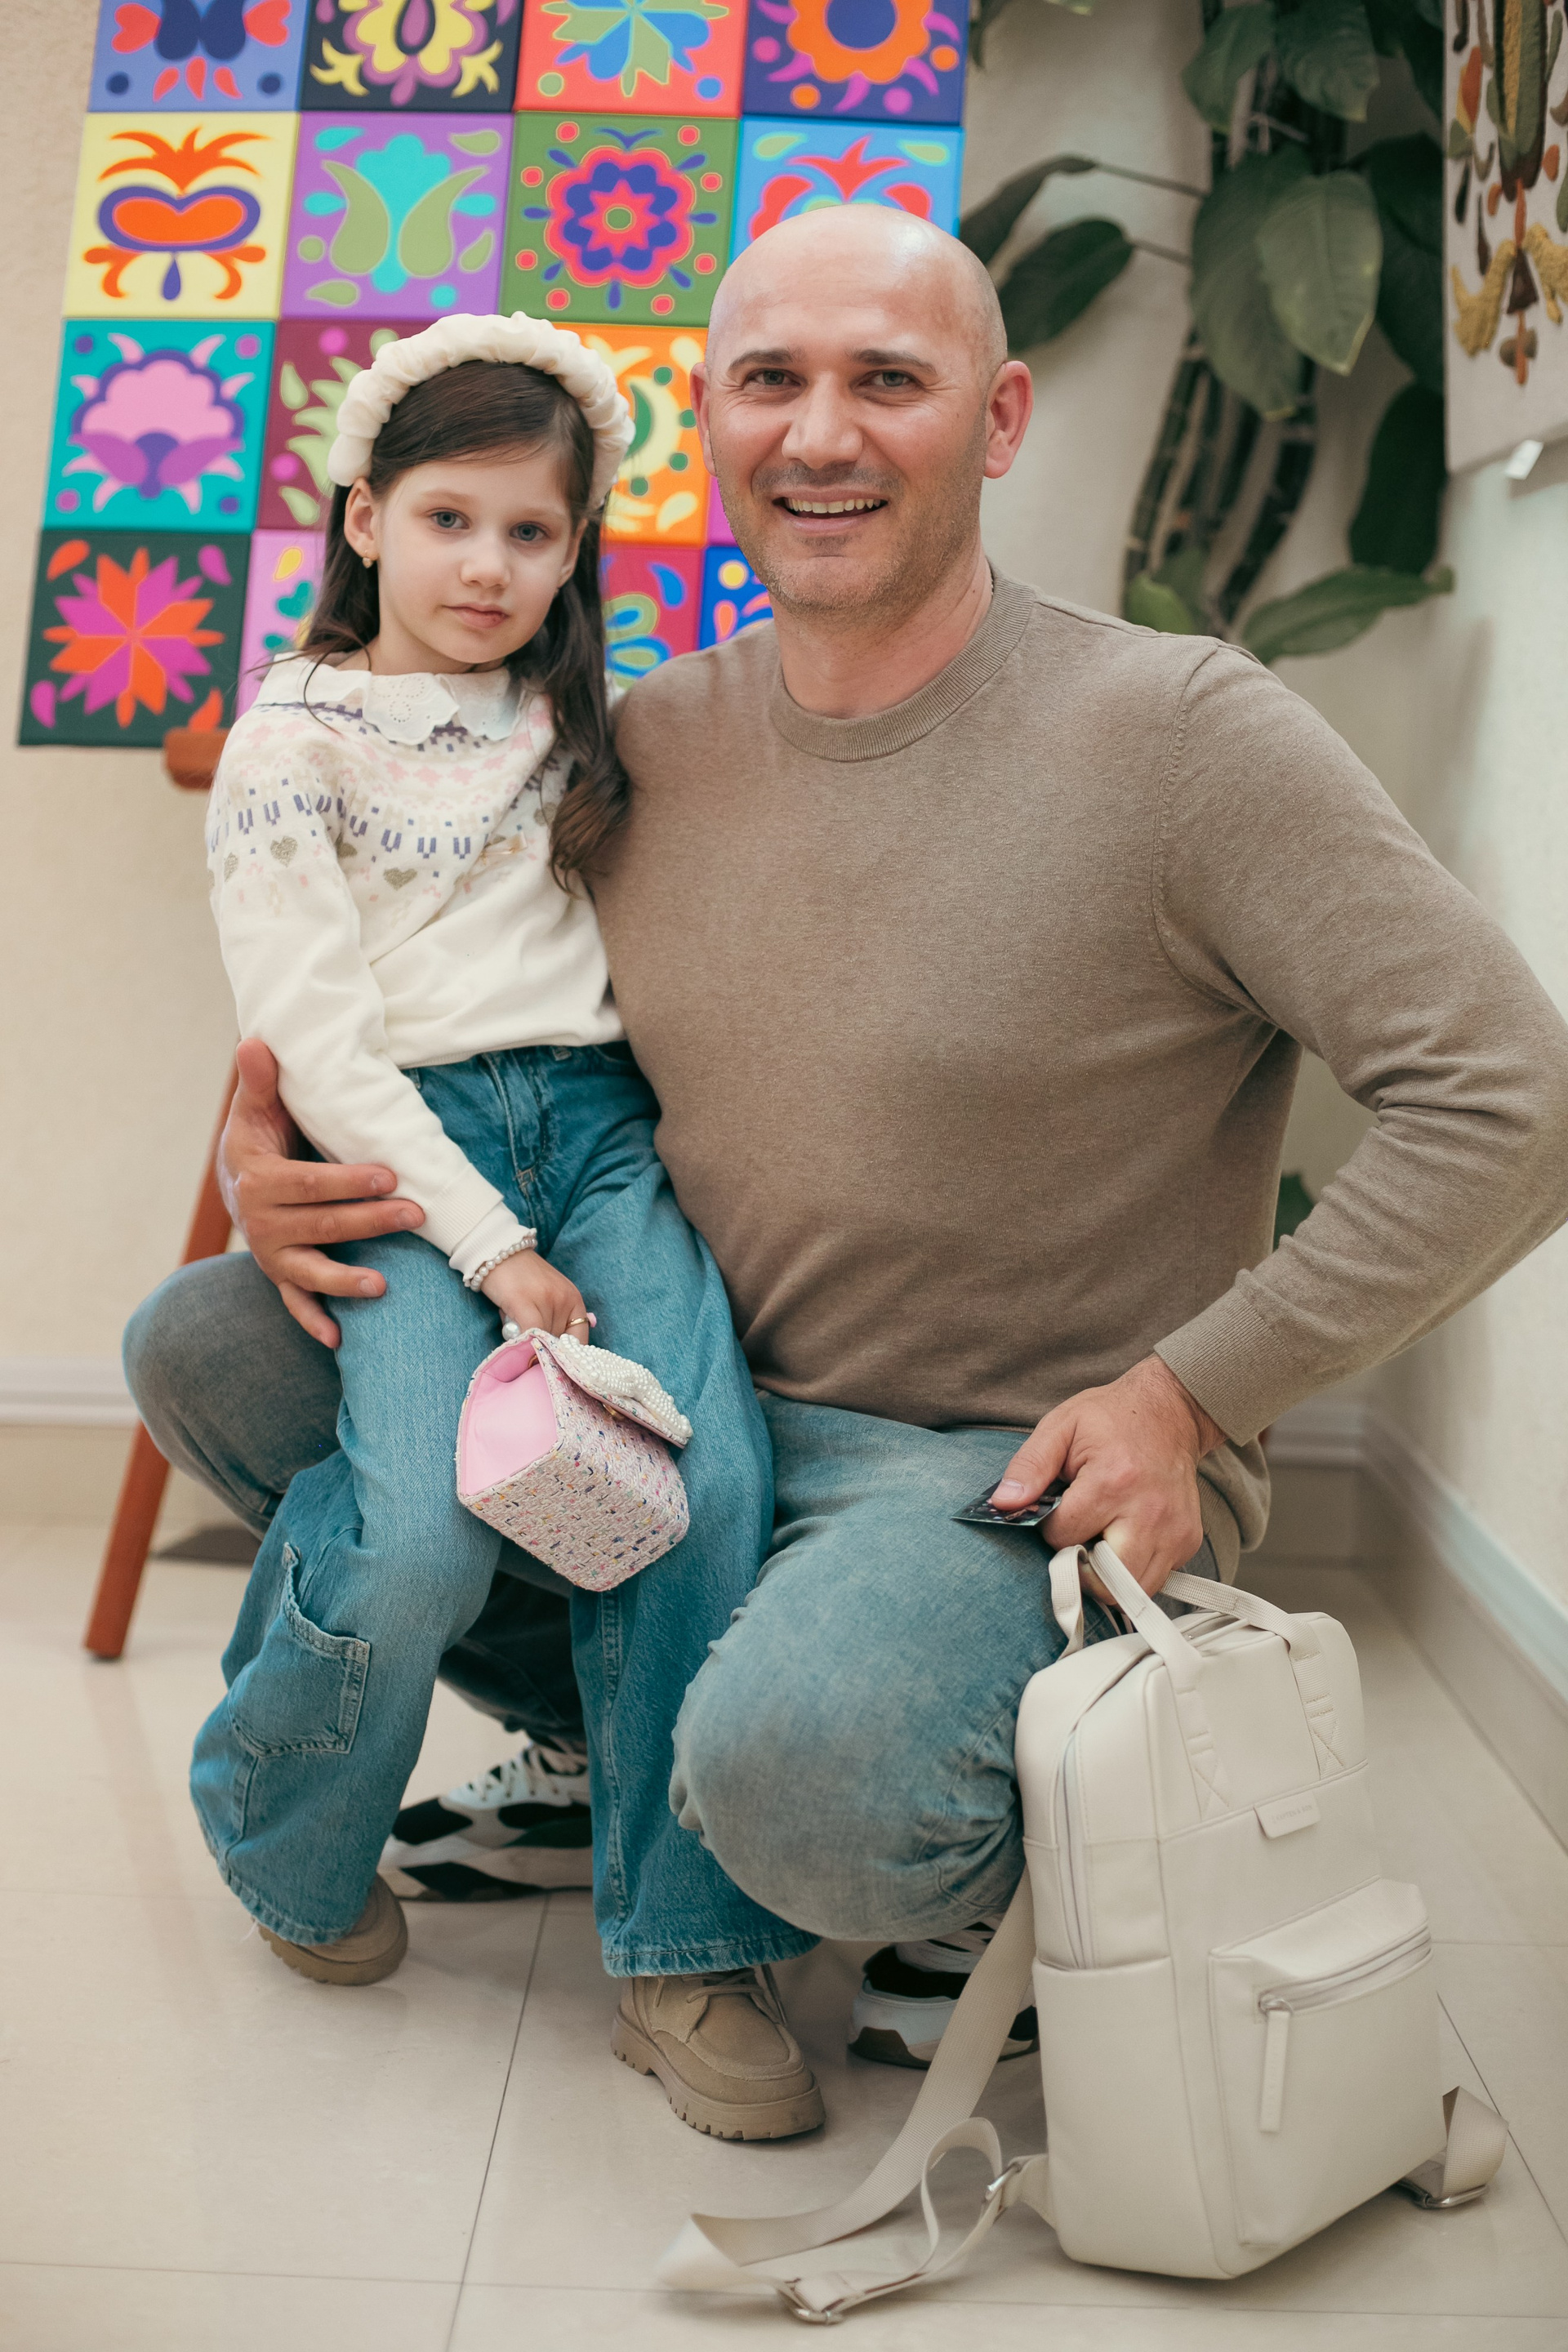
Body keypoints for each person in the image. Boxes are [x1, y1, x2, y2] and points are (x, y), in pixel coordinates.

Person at [128, 209, 1568, 2138]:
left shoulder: (1183, 736)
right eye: (771, 383)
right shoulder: (630, 746)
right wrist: (269, 1145)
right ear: (708, 421)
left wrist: (1191, 1396)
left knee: (807, 1772)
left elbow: (1513, 1098)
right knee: (214, 1344)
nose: (821, 435)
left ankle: (919, 1822)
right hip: (680, 1399)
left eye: (889, 380)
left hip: (997, 1467)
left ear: (1001, 418)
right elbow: (437, 1003)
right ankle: (619, 1741)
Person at [180, 311, 828, 2138]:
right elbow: (321, 1044)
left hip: (603, 1132)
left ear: (574, 548)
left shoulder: (577, 720)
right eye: (449, 520)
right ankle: (282, 1829)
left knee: (698, 1482)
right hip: (405, 1152)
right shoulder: (289, 743)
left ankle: (687, 1948)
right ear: (363, 517)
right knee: (418, 1541)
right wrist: (489, 1247)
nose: (488, 566)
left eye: (532, 532)